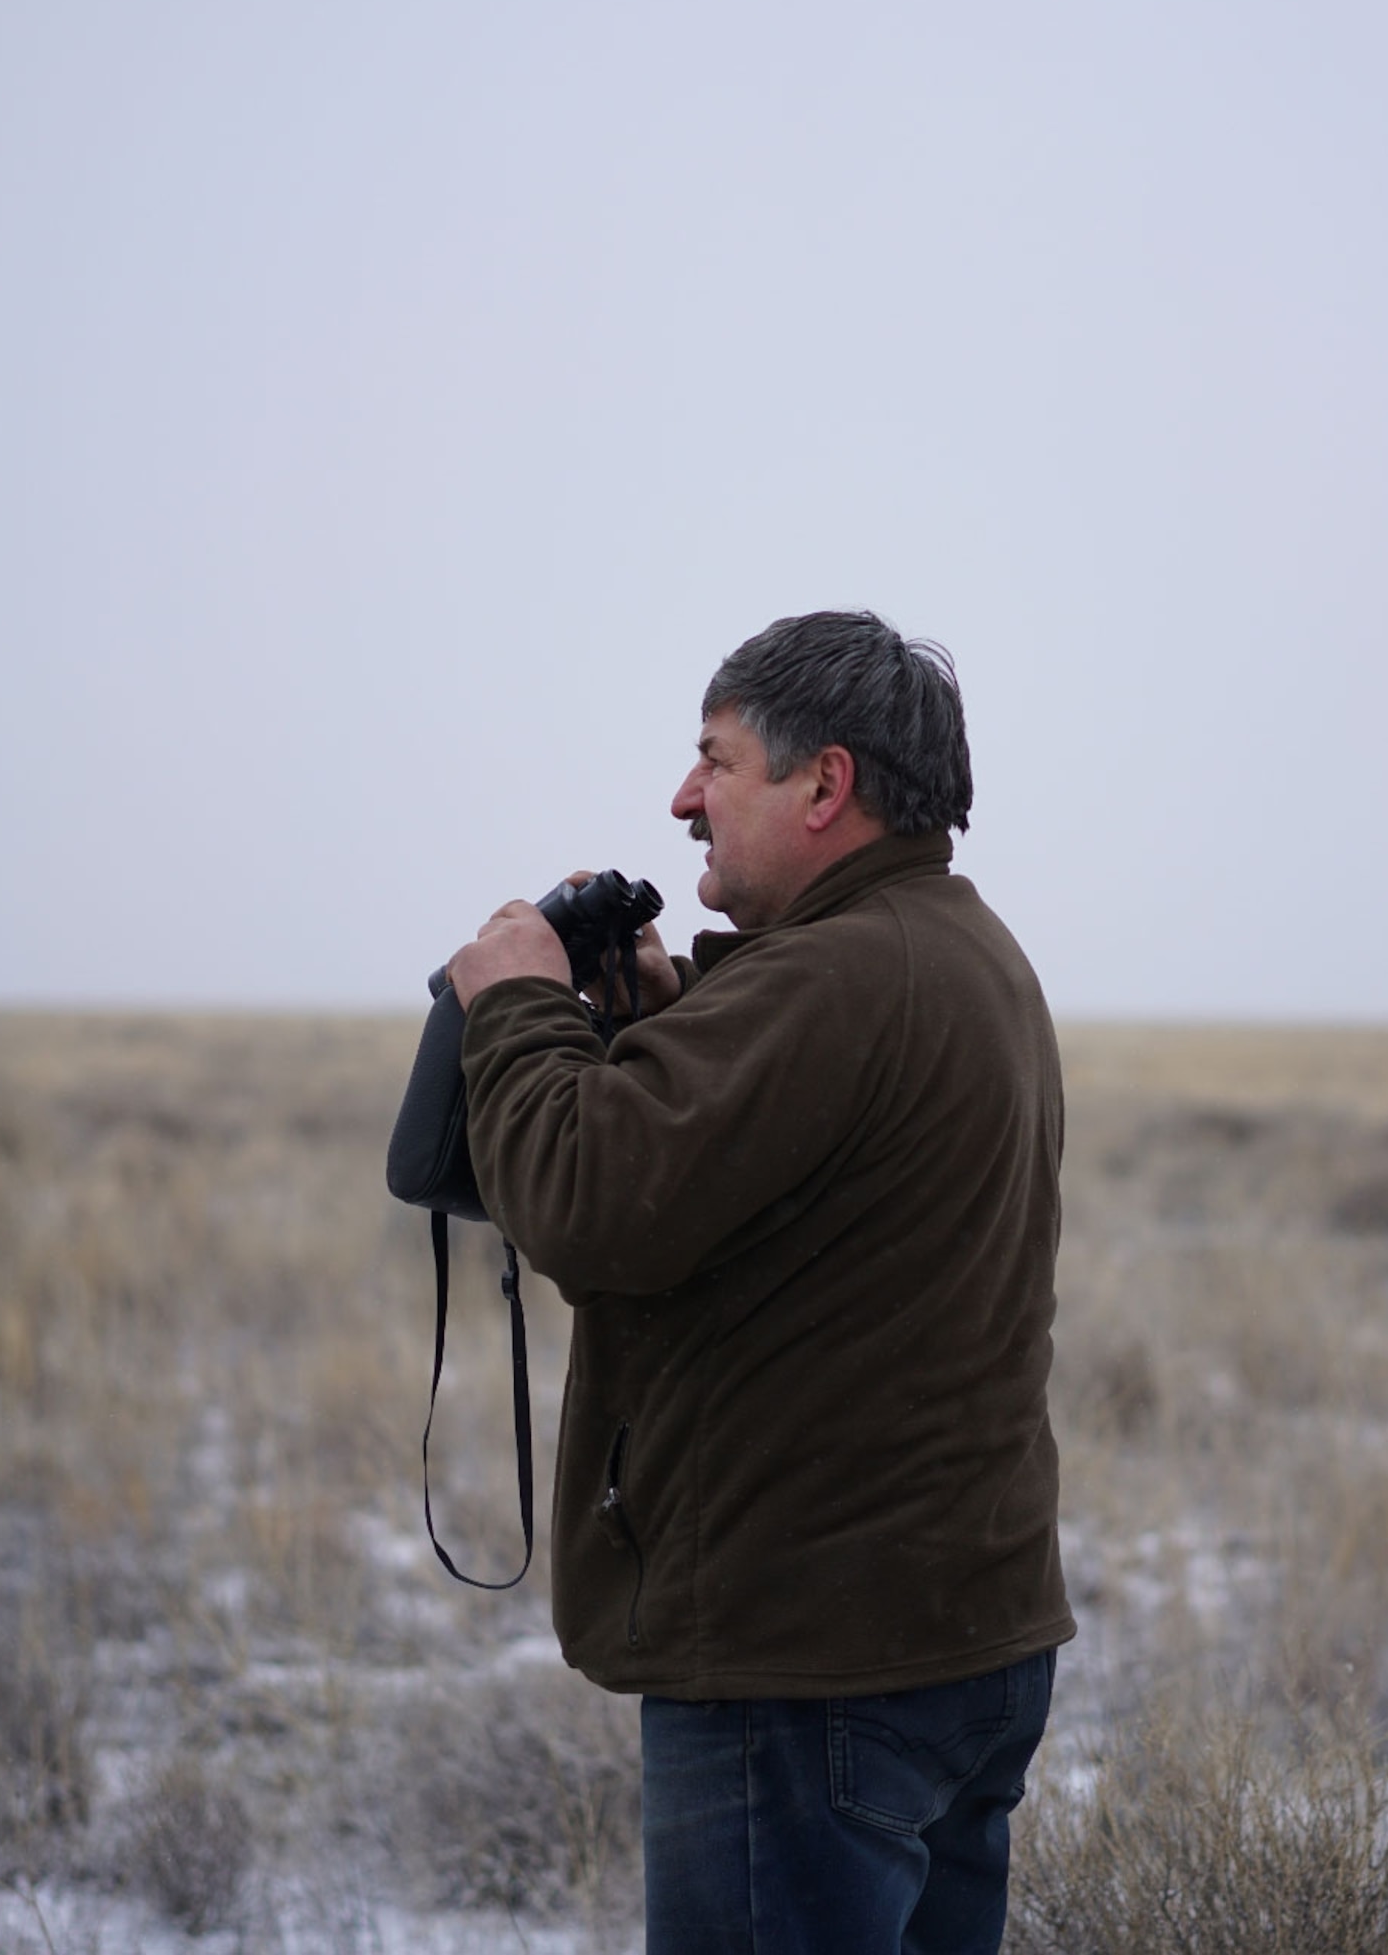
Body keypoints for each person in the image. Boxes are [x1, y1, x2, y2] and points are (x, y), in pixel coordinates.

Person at [442, 609, 1072, 1954]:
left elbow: (586, 1206)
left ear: (825, 782)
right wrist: (671, 1029)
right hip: (955, 1635)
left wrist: (518, 1005)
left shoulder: (834, 977)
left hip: (807, 1667)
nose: (684, 799)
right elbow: (800, 1205)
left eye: (715, 759)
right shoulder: (959, 949)